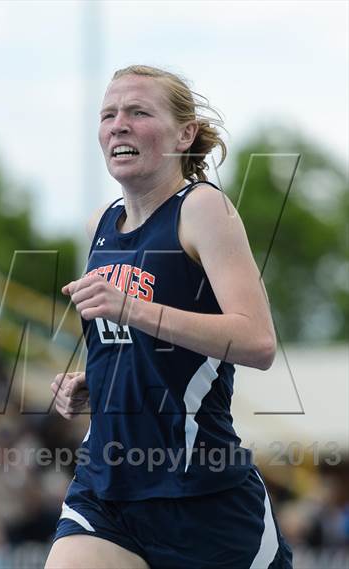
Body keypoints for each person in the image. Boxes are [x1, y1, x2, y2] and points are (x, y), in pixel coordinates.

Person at [45, 65, 293, 569]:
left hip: (202, 496)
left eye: (138, 112)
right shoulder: (100, 226)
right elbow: (141, 350)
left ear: (185, 134)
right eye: (108, 114)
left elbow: (258, 341)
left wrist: (131, 308)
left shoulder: (202, 209)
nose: (119, 125)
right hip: (107, 486)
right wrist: (96, 381)